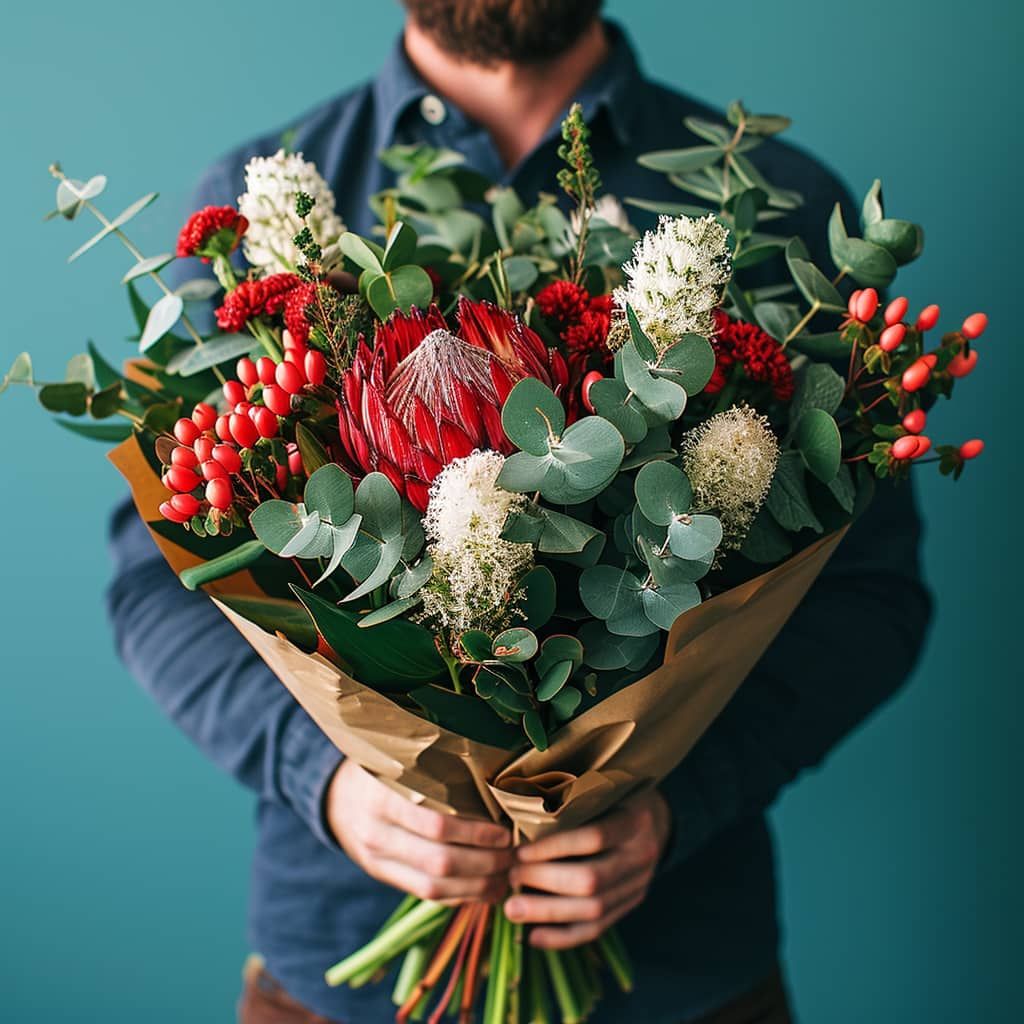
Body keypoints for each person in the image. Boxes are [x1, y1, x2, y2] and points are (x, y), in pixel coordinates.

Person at [107, 3, 932, 1022]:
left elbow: (868, 595)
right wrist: (327, 780)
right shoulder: (253, 213)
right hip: (342, 962)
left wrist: (678, 803)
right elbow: (162, 575)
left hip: (681, 965)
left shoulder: (783, 207)